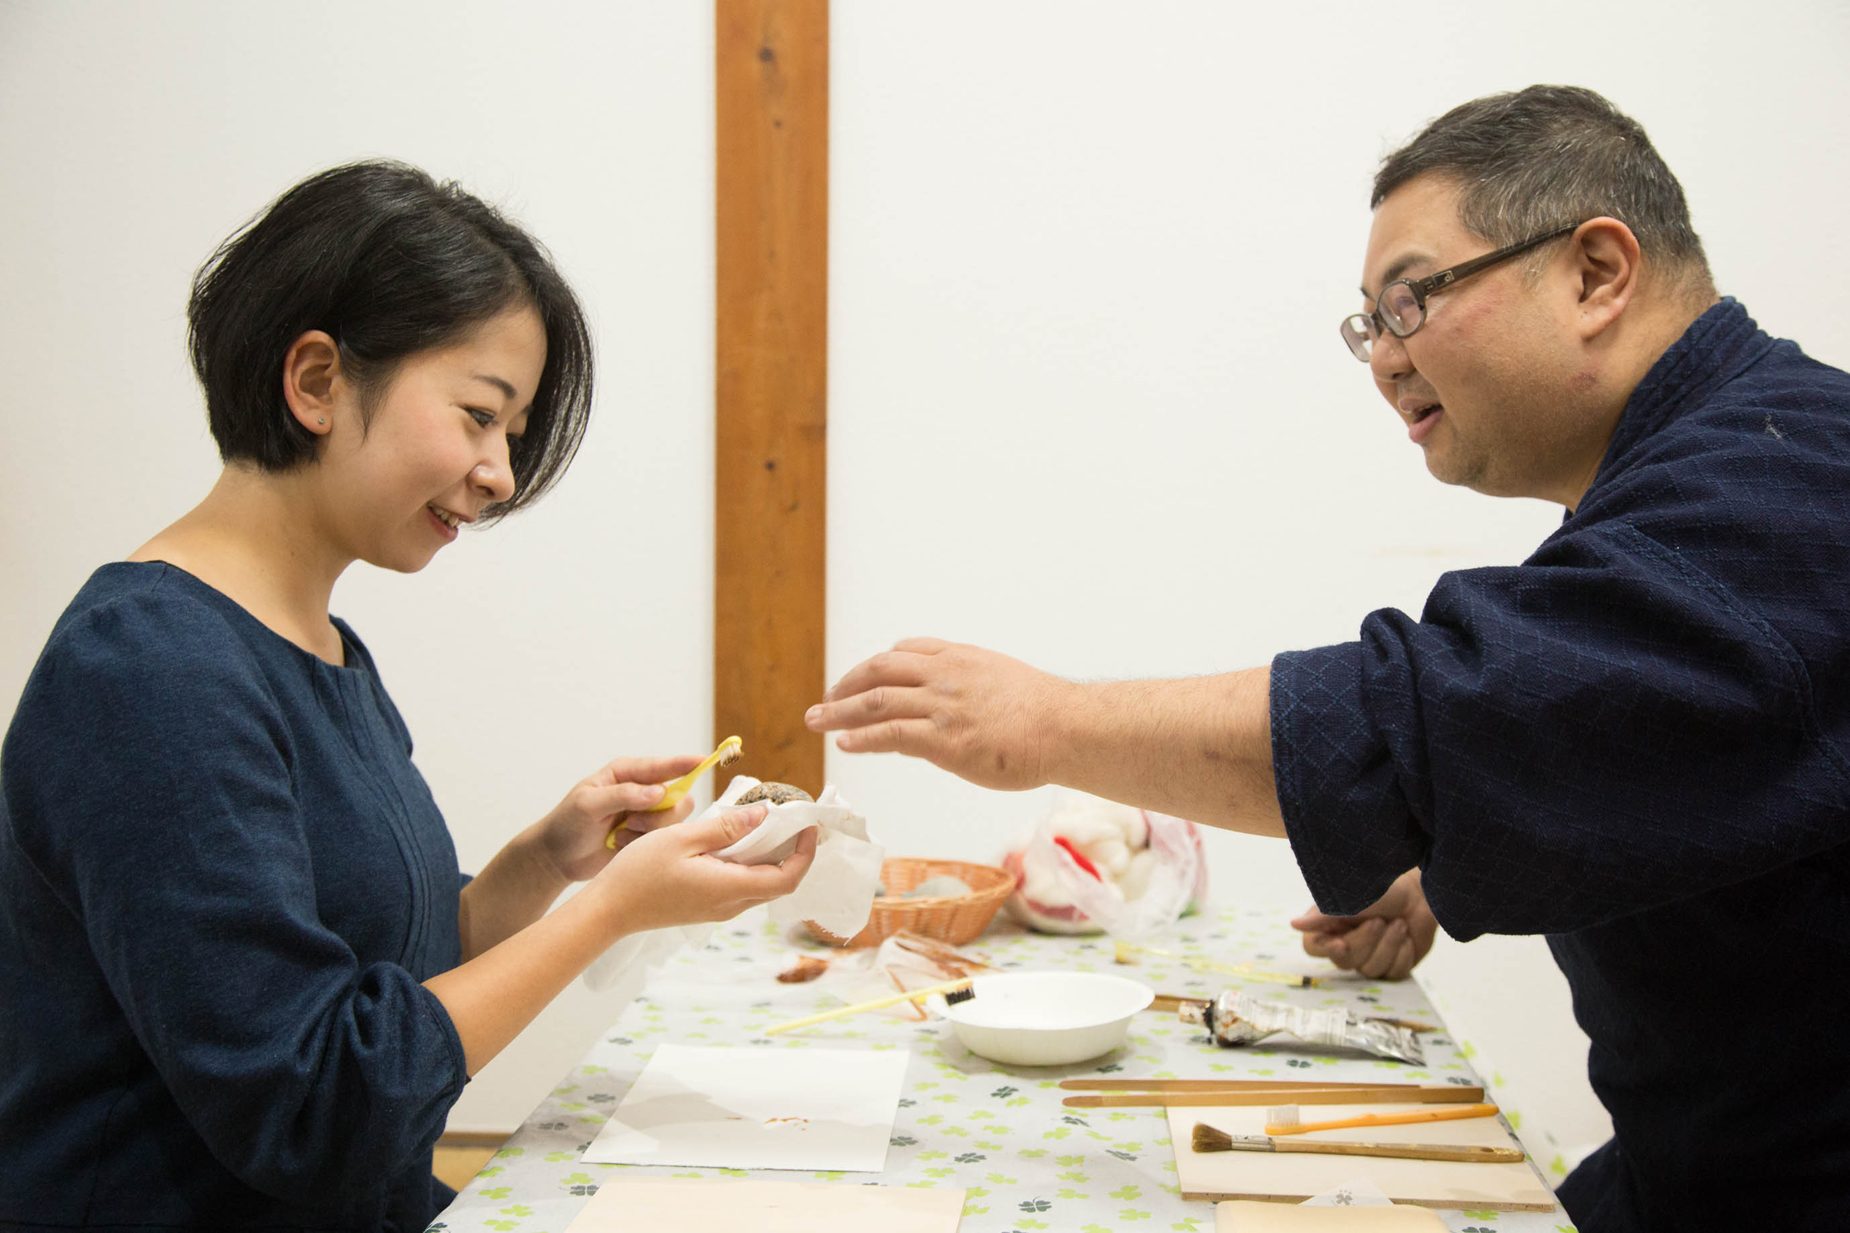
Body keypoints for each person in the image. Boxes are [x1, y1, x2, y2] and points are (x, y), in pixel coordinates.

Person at [804, 86, 1850, 1231]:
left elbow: (1436, 715)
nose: (1383, 361)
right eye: (1367, 323)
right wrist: (1446, 861)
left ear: (1595, 272)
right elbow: (1624, 745)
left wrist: (1045, 725)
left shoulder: (1783, 486)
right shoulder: (1704, 484)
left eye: (1409, 301)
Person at [0, 161, 817, 1230]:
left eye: (512, 436)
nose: (499, 475)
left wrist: (548, 866)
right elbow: (315, 1107)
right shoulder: (147, 673)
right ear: (317, 382)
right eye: (481, 415)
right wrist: (616, 912)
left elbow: (381, 982)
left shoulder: (322, 650)